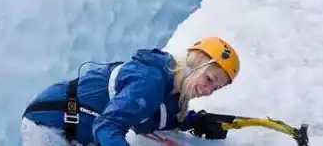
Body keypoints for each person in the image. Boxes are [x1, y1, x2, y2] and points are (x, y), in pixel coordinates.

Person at [21, 37, 239, 146]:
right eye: (209, 79)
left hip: (75, 132)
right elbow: (107, 126)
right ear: (194, 64)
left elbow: (154, 120)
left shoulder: (171, 92)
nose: (209, 90)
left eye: (216, 88)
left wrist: (196, 121)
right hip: (49, 127)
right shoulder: (149, 82)